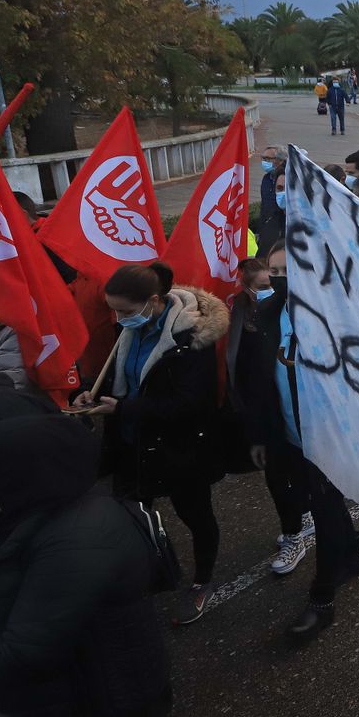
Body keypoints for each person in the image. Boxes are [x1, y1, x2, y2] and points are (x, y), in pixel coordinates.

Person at [0, 414, 173, 717]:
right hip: (74, 700)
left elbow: (23, 651)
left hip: (101, 709)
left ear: (23, 475)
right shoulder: (43, 512)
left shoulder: (80, 539)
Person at [71, 262, 228, 625]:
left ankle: (202, 581)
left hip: (180, 449)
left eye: (125, 310)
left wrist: (124, 408)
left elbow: (189, 403)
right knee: (129, 517)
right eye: (114, 309)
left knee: (195, 515)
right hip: (134, 444)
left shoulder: (191, 338)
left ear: (153, 302)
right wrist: (90, 392)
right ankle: (144, 576)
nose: (118, 317)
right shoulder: (129, 330)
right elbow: (123, 375)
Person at [243, 243, 359, 643]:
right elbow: (257, 385)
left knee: (325, 507)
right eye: (274, 271)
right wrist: (261, 435)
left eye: (288, 270)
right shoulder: (265, 315)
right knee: (322, 504)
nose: (279, 278)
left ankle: (322, 598)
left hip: (330, 439)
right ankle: (353, 551)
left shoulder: (336, 316)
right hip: (288, 435)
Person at [225, 257, 311, 576]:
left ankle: (312, 524)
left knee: (308, 483)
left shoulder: (301, 315)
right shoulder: (253, 320)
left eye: (281, 275)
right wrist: (257, 434)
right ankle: (293, 535)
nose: (274, 286)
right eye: (268, 280)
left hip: (305, 425)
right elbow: (251, 384)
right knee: (278, 481)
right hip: (273, 422)